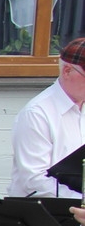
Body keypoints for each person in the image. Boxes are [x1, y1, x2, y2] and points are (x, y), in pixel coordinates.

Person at [9, 37, 85, 198]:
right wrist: (81, 200)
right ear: (67, 71)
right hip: (43, 215)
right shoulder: (37, 113)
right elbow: (34, 181)